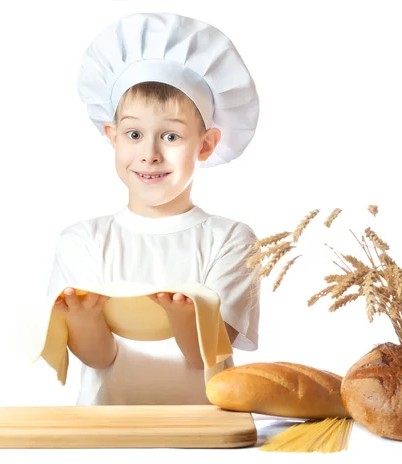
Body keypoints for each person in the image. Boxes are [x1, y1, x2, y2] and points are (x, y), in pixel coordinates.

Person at [45, 12, 261, 406]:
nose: (150, 154)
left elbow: (204, 356)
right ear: (112, 137)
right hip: (107, 435)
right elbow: (99, 356)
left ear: (206, 144)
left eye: (171, 136)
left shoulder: (230, 240)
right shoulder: (83, 241)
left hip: (205, 434)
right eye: (134, 134)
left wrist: (182, 318)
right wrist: (83, 319)